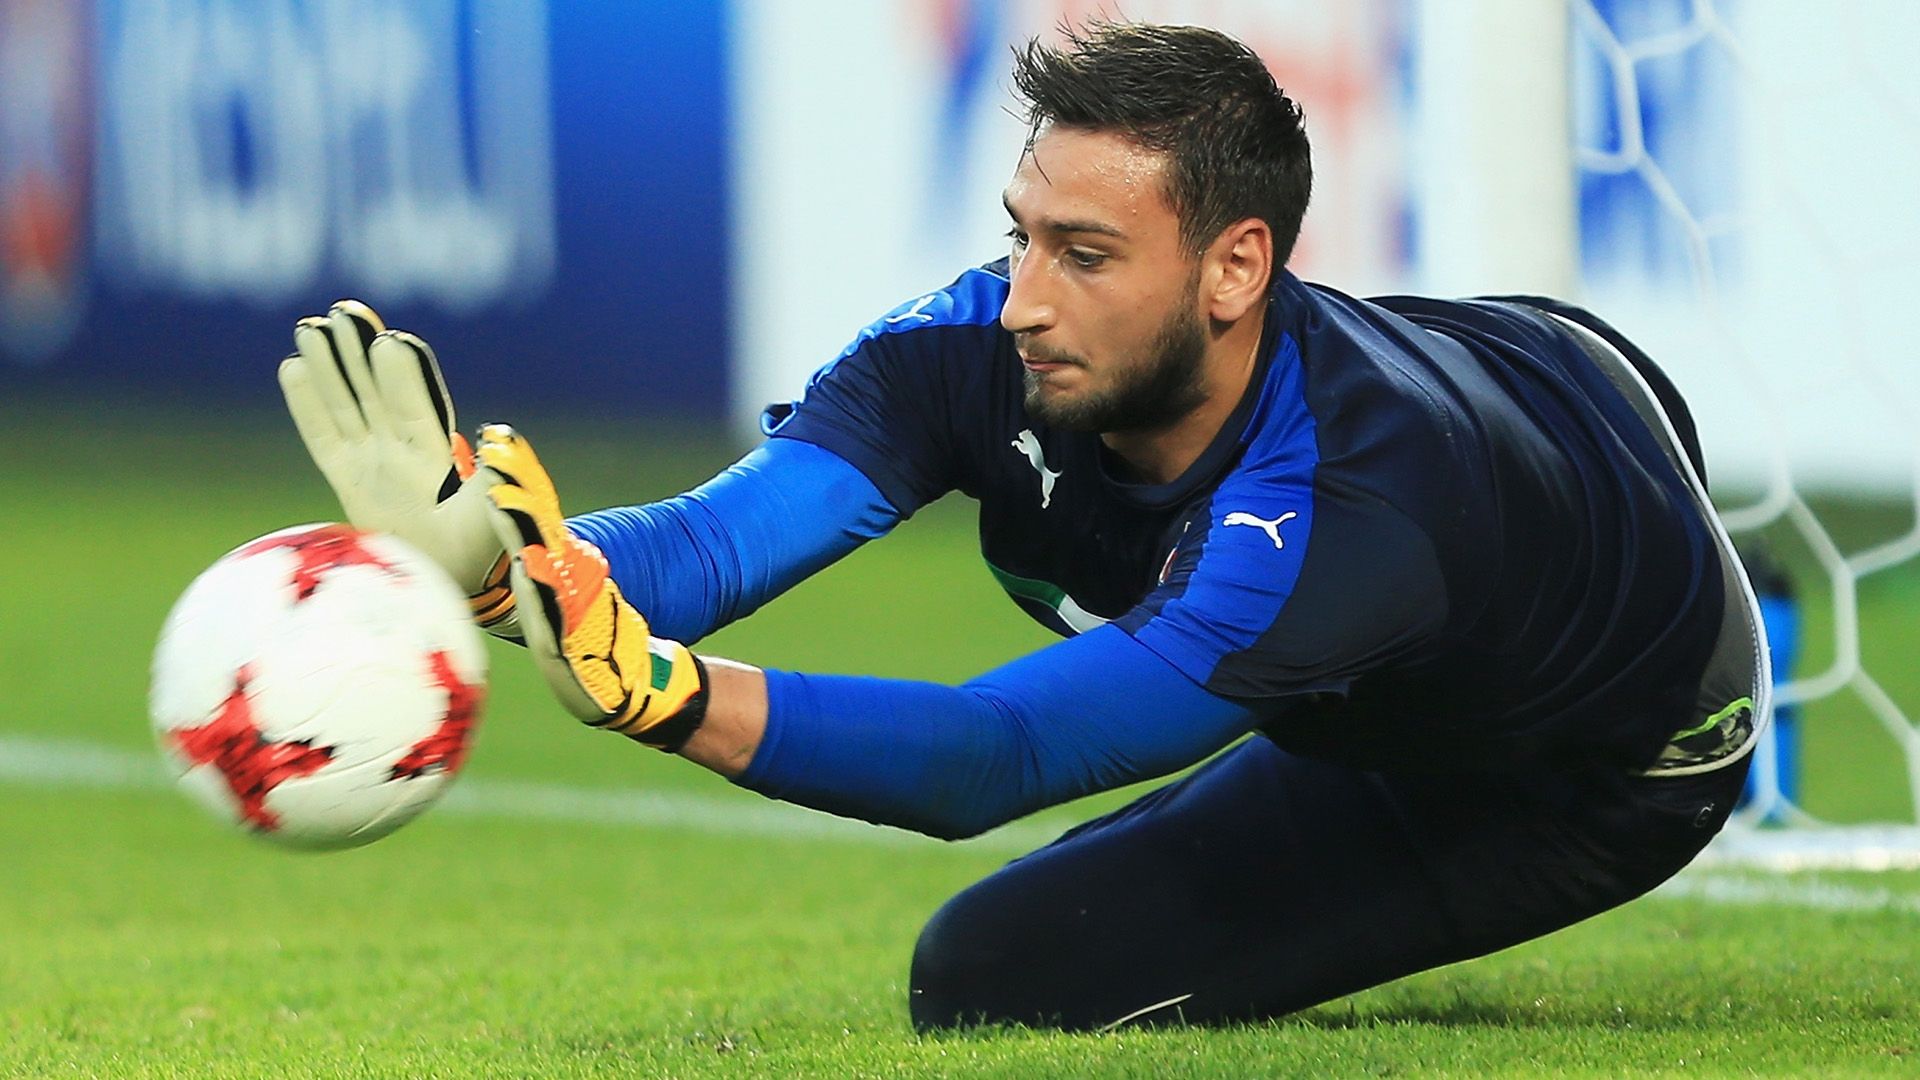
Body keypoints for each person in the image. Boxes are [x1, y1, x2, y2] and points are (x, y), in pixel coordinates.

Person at [278, 22, 1769, 1031]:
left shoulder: (1345, 518)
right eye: (1019, 233)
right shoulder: (978, 345)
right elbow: (719, 547)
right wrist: (505, 563)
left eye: (1087, 253)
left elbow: (997, 759)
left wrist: (669, 699)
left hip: (1590, 761)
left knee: (993, 969)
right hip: (1538, 383)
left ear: (1235, 266)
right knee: (986, 972)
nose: (1027, 297)